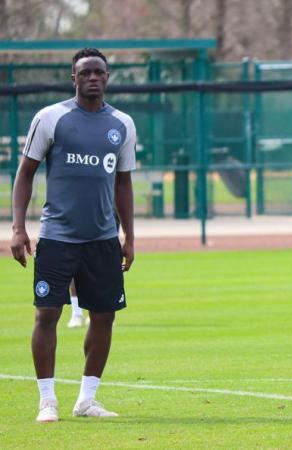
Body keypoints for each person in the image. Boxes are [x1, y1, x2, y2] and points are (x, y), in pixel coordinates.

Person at [10, 48, 136, 422]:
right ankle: (47, 401)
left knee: (104, 317)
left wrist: (129, 234)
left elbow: (124, 183)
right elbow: (25, 174)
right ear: (74, 79)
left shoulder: (123, 124)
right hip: (57, 236)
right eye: (86, 73)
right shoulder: (51, 118)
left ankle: (86, 399)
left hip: (102, 239)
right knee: (46, 314)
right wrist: (18, 228)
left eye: (99, 72)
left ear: (107, 77)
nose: (93, 78)